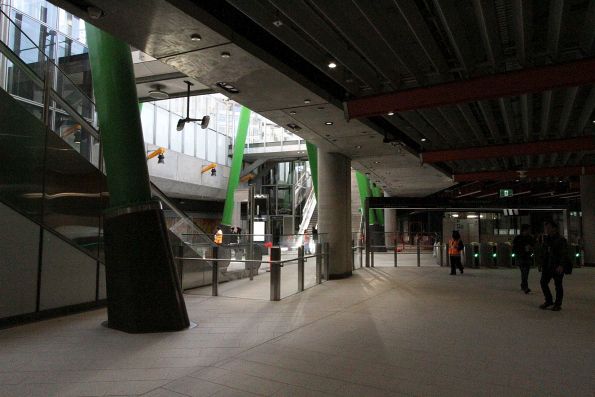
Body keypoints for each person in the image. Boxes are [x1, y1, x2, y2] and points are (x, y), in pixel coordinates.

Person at [539, 220, 570, 311]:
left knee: (558, 285)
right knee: (543, 282)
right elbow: (544, 253)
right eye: (546, 228)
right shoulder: (546, 239)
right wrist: (541, 263)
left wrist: (561, 265)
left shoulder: (561, 240)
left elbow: (564, 253)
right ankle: (549, 300)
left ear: (554, 228)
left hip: (556, 266)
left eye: (548, 228)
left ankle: (558, 304)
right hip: (547, 265)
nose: (547, 230)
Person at [513, 224, 535, 294]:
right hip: (520, 257)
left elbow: (533, 245)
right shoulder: (518, 238)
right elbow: (514, 247)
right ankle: (525, 287)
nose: (529, 231)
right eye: (528, 229)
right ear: (524, 230)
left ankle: (523, 285)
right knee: (524, 272)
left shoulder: (530, 238)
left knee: (526, 272)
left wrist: (530, 248)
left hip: (527, 256)